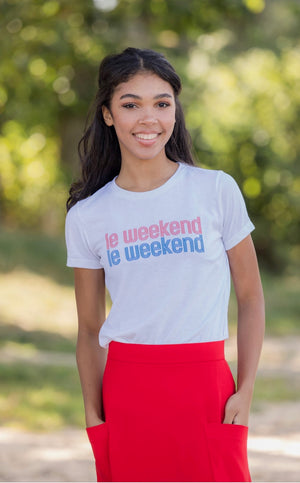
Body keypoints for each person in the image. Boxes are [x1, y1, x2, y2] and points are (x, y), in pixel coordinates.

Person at [65, 47, 265, 482]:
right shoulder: (88, 216)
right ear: (107, 115)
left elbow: (250, 298)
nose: (148, 118)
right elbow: (87, 327)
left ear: (175, 111)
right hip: (128, 392)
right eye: (130, 104)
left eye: (161, 103)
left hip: (206, 387)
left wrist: (245, 390)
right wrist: (93, 412)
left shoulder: (215, 190)